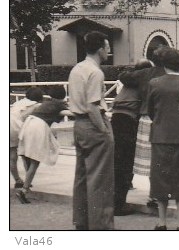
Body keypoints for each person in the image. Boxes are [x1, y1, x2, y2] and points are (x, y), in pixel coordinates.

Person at [68, 30, 115, 230]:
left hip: (79, 124)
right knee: (100, 180)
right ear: (100, 49)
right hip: (93, 124)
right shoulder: (96, 72)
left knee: (81, 177)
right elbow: (93, 106)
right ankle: (101, 226)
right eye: (107, 47)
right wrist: (104, 131)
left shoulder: (77, 68)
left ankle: (82, 222)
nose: (109, 51)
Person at [146, 48, 179, 231]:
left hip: (161, 136)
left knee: (160, 179)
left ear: (164, 64)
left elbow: (150, 110)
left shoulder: (155, 83)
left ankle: (162, 222)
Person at [16, 87, 72, 203]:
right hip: (39, 126)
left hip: (28, 124)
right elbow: (69, 114)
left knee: (27, 155)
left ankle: (27, 183)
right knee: (35, 160)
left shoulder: (45, 103)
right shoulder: (60, 105)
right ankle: (24, 190)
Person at [111, 58, 152, 215]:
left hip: (116, 117)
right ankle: (118, 205)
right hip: (129, 120)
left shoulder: (129, 80)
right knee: (126, 163)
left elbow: (123, 75)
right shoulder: (144, 80)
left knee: (118, 161)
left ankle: (116, 200)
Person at [10, 86, 44, 191]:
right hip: (17, 127)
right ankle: (28, 181)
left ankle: (17, 180)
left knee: (12, 155)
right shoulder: (36, 105)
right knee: (26, 154)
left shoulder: (19, 102)